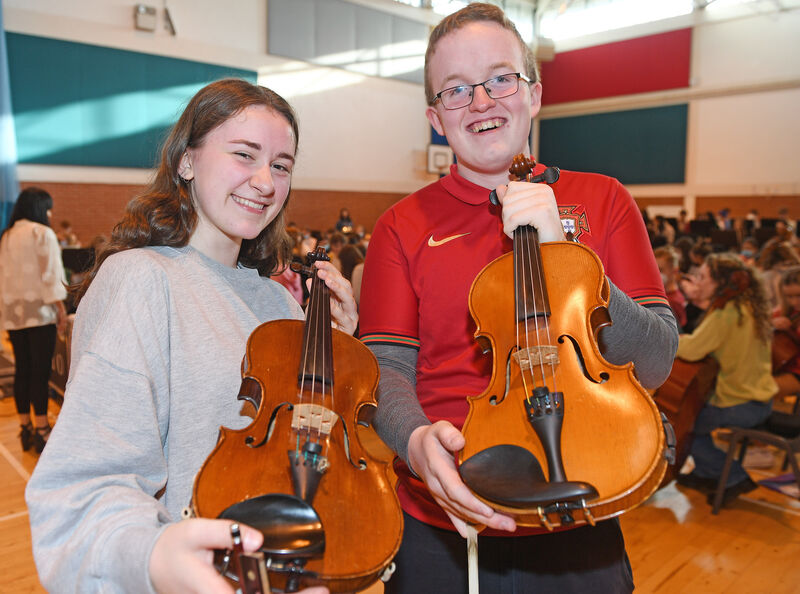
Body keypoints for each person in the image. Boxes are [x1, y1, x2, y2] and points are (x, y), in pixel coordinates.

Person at [358, 4, 678, 592]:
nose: (480, 102)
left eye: (500, 78)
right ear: (436, 117)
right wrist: (414, 441)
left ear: (533, 95)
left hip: (584, 503)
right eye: (456, 90)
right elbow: (386, 367)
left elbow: (656, 362)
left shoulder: (603, 200)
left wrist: (570, 260)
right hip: (446, 518)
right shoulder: (400, 226)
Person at [25, 79, 347, 594]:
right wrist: (153, 556)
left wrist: (340, 346)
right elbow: (88, 490)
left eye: (281, 165)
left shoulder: (279, 301)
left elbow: (309, 443)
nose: (265, 181)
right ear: (186, 161)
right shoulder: (142, 278)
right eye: (244, 154)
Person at [674, 254, 776, 505]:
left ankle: (733, 477)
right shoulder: (749, 307)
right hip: (761, 397)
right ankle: (704, 474)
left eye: (704, 277)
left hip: (739, 403)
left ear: (720, 282)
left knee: (686, 428)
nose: (699, 281)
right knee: (694, 419)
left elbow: (693, 349)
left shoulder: (726, 313)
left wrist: (666, 337)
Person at [0, 187, 67, 453]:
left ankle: (25, 426)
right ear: (40, 208)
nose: (50, 213)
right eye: (48, 208)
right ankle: (42, 428)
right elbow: (52, 276)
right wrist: (60, 308)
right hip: (39, 313)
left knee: (23, 370)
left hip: (13, 314)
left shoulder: (6, 236)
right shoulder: (42, 233)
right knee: (40, 372)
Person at [771, 266, 800, 398]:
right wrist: (771, 324)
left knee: (760, 392)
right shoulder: (784, 310)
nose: (794, 302)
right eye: (789, 297)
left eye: (799, 296)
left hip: (797, 372)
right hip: (779, 366)